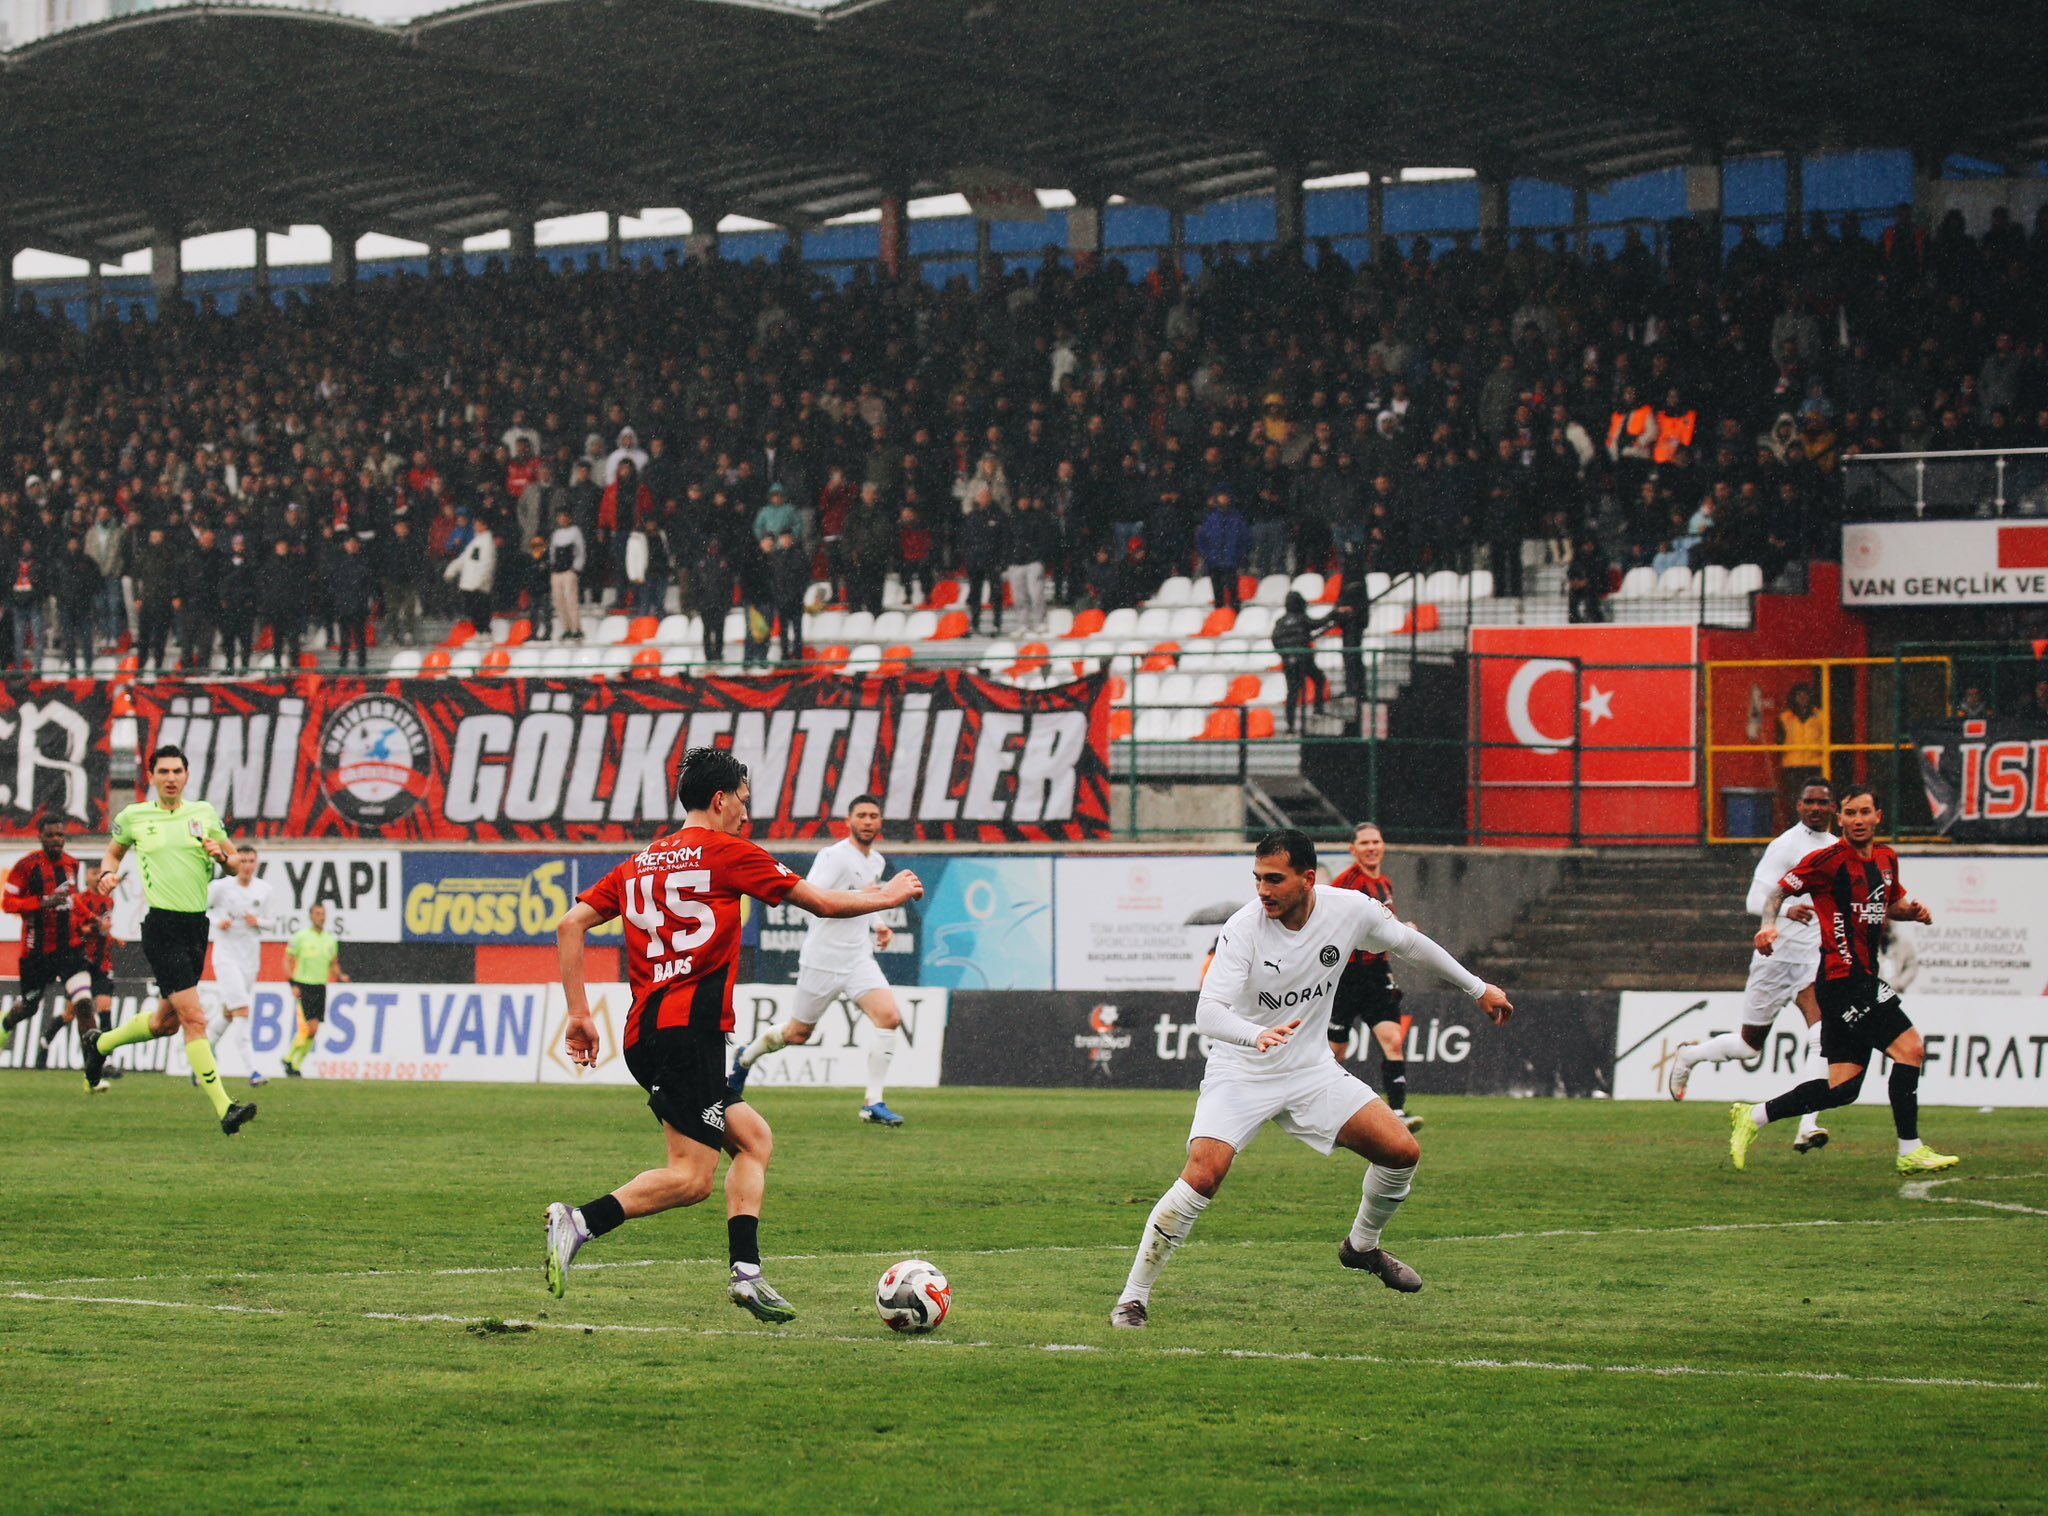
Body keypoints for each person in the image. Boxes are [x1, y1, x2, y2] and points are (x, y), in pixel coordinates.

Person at [543, 748, 924, 1318]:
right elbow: (819, 902)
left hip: (647, 1033)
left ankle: (746, 1274)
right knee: (692, 1177)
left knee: (754, 1140)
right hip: (688, 1034)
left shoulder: (640, 862)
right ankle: (579, 1222)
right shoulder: (727, 852)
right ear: (720, 800)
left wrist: (578, 1012)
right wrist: (887, 896)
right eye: (743, 802)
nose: (746, 815)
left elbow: (570, 923)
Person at [1111, 830, 1512, 1328]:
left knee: (1402, 1151)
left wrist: (1478, 988)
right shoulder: (1244, 928)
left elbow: (1410, 944)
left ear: (1306, 878)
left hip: (1309, 1071)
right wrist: (1254, 1035)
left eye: (1274, 879)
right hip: (1241, 1071)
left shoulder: (1350, 909)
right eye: (1257, 879)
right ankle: (1133, 1298)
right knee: (1203, 1174)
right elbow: (1208, 1013)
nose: (1263, 890)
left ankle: (1362, 1246)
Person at [1731, 789, 1955, 1175]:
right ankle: (1910, 1149)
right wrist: (1770, 925)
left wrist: (1913, 912)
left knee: (1842, 1089)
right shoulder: (1827, 860)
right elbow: (1777, 892)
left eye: (1865, 812)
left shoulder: (1886, 859)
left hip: (1862, 979)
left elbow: (1891, 904)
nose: (1858, 819)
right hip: (1842, 979)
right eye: (1850, 813)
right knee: (1910, 1049)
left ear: (1877, 816)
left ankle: (1754, 1117)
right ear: (1842, 820)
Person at [80, 747, 256, 1135]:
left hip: (196, 928)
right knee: (195, 1018)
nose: (171, 777)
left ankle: (100, 1045)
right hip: (161, 928)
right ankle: (225, 1109)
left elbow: (230, 861)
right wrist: (108, 875)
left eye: (177, 770)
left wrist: (221, 856)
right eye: (164, 771)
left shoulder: (204, 814)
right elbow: (112, 854)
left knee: (165, 1024)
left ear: (187, 775)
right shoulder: (135, 817)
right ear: (153, 776)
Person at [1667, 779, 1833, 1151]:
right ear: (1799, 805)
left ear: (1833, 808)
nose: (1816, 808)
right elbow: (1753, 899)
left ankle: (1808, 1125)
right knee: (1748, 1046)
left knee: (1821, 1037)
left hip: (1811, 959)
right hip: (1775, 960)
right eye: (1810, 801)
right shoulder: (1786, 845)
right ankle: (1689, 1055)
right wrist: (1788, 910)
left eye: (1823, 802)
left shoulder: (1836, 849)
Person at [729, 795, 909, 1126]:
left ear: (880, 822)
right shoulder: (834, 856)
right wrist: (870, 896)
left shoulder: (877, 862)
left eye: (873, 816)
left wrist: (879, 924)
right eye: (862, 815)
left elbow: (865, 904)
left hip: (858, 957)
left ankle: (873, 1103)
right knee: (798, 1034)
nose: (868, 821)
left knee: (889, 1018)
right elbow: (813, 896)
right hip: (823, 958)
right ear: (849, 821)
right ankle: (745, 1058)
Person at [1326, 823, 1421, 1134]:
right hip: (1347, 976)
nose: (1370, 847)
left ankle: (1397, 1111)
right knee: (1336, 1052)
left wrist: (1402, 930)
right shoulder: (1346, 883)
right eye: (1364, 843)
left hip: (1378, 974)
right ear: (1353, 849)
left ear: (1383, 846)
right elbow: (1333, 925)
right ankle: (1323, 1108)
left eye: (1375, 841)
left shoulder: (1385, 883)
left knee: (1393, 1040)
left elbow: (1384, 924)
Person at [0, 817, 93, 1082]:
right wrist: (43, 901)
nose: (57, 840)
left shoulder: (72, 865)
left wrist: (90, 920)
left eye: (60, 835)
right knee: (29, 1006)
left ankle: (93, 1069)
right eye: (51, 835)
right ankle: (5, 1024)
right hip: (36, 953)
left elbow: (73, 900)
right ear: (40, 837)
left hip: (69, 950)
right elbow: (8, 903)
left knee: (84, 1004)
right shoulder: (26, 866)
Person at [204, 844, 275, 1088]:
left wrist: (260, 922)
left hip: (249, 960)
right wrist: (217, 922)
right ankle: (253, 1070)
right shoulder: (220, 887)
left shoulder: (264, 890)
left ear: (256, 863)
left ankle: (201, 1058)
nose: (246, 865)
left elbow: (272, 922)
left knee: (229, 1012)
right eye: (242, 860)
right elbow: (200, 910)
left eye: (250, 861)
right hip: (225, 958)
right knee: (243, 1010)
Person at [280, 904, 346, 1077]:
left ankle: (294, 1064)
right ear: (311, 916)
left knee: (314, 1029)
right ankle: (288, 1059)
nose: (321, 917)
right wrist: (292, 984)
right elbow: (287, 960)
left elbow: (334, 963)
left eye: (323, 914)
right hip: (303, 986)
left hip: (320, 987)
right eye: (317, 913)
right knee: (306, 1028)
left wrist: (340, 976)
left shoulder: (330, 940)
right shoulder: (301, 937)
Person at [1271, 590, 1329, 733]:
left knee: (1292, 692)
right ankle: (1318, 709)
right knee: (1319, 679)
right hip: (1303, 658)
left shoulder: (1281, 621)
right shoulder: (1301, 618)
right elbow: (1317, 623)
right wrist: (1333, 615)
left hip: (1289, 661)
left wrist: (1285, 655)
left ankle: (1290, 726)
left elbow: (1275, 640)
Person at [1776, 683, 1826, 825]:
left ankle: (1815, 827)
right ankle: (1796, 827)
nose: (1803, 699)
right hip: (1793, 764)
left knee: (1815, 800)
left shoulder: (1820, 716)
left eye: (1805, 695)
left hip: (1815, 764)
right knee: (1795, 800)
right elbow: (1779, 740)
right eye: (1799, 696)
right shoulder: (1785, 717)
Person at [548, 508, 586, 641]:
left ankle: (577, 628)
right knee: (559, 601)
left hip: (569, 570)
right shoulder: (556, 533)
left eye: (564, 517)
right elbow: (552, 551)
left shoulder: (575, 531)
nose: (562, 520)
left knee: (571, 600)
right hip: (557, 571)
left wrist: (576, 568)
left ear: (569, 518)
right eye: (559, 517)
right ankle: (566, 629)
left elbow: (580, 550)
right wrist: (553, 567)